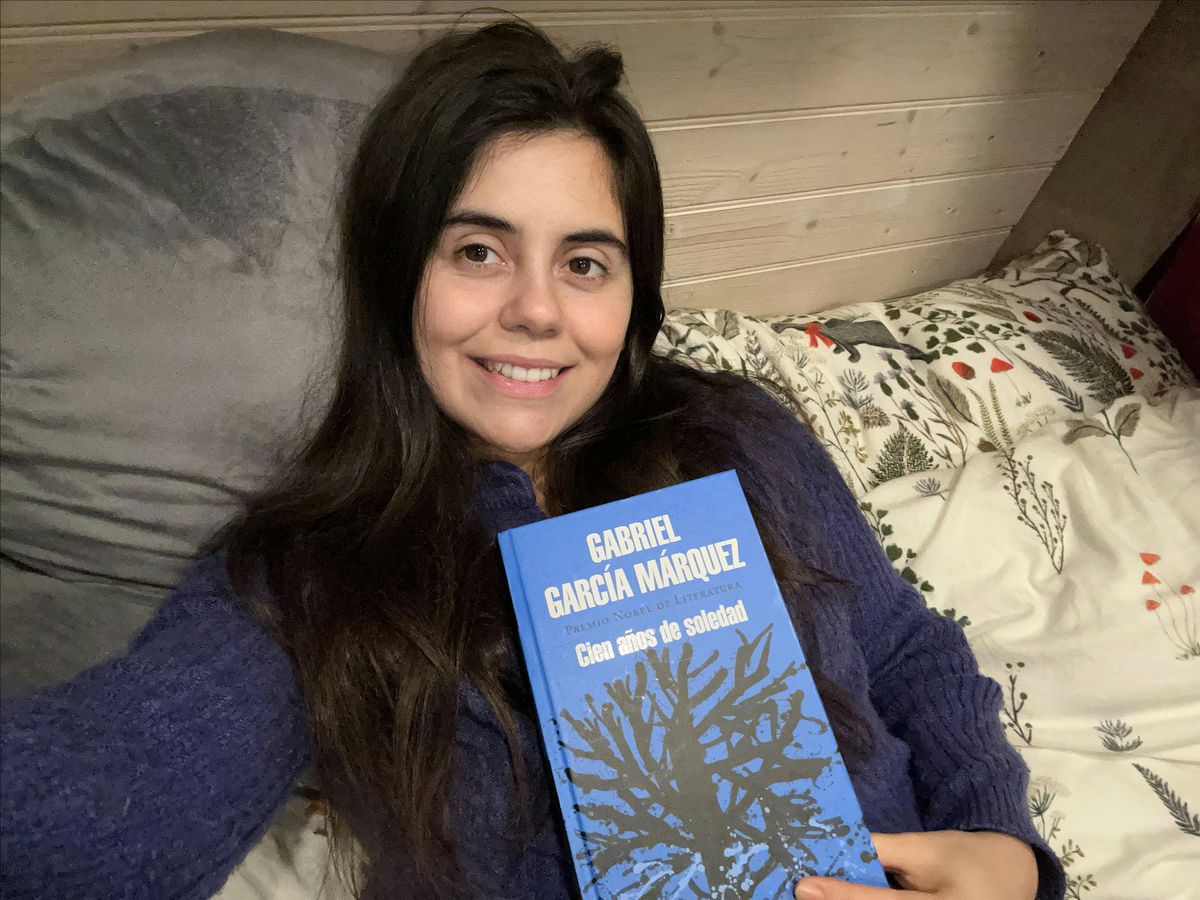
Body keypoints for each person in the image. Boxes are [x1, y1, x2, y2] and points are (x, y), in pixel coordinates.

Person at [0, 20, 1063, 900]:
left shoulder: (736, 435)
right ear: (397, 275)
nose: (538, 311)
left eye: (585, 263)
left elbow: (907, 648)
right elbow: (100, 811)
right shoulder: (319, 570)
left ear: (633, 295)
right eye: (478, 251)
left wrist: (1002, 847)